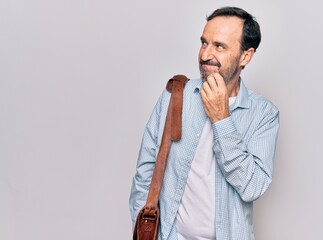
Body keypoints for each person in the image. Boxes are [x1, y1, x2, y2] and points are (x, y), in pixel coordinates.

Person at [129, 6, 279, 240]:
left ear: (245, 56)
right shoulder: (174, 96)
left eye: (219, 46)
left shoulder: (264, 115)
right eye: (204, 43)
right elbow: (145, 172)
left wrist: (221, 119)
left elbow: (253, 187)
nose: (205, 54)